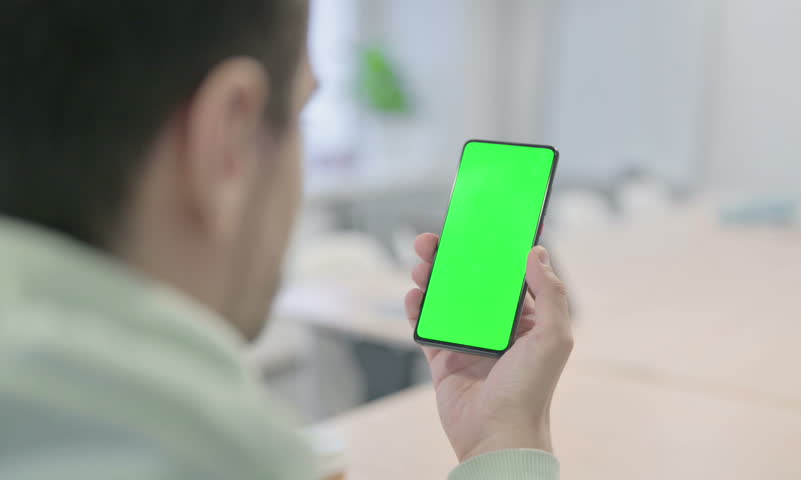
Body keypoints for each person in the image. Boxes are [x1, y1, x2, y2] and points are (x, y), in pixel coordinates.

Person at [0, 1, 574, 479]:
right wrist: (510, 440)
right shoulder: (213, 454)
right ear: (231, 134)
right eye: (301, 114)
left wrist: (493, 435)